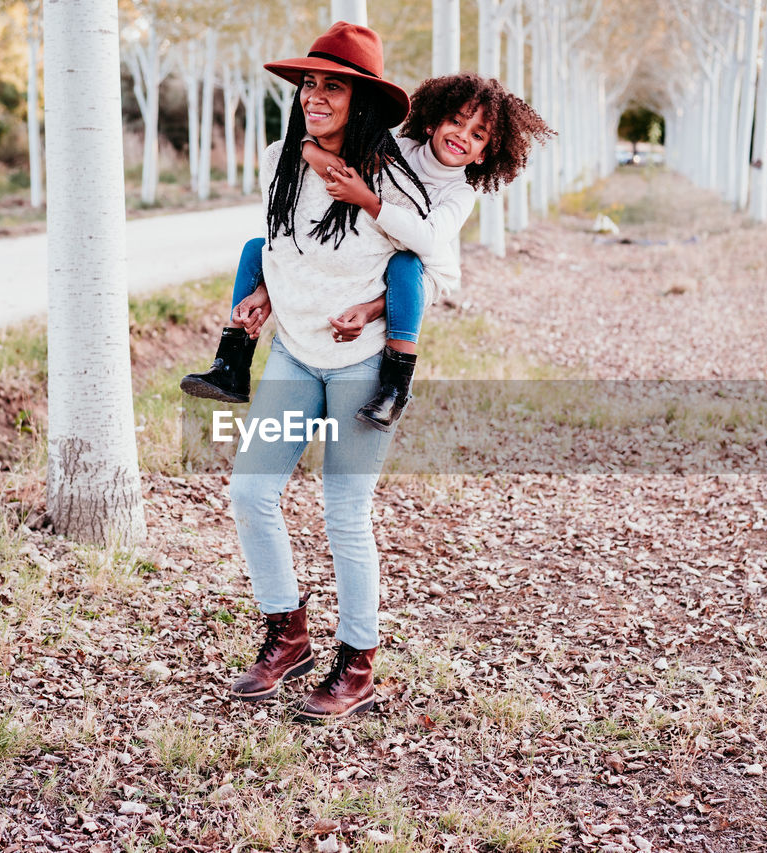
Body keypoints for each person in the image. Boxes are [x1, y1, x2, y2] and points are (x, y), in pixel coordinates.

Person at [214, 22, 431, 723]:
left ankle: (357, 663)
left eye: (332, 85)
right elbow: (285, 245)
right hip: (293, 355)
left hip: (361, 365)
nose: (315, 95)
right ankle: (289, 633)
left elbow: (419, 265)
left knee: (345, 515)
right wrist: (263, 294)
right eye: (310, 83)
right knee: (250, 493)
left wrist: (373, 309)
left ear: (360, 99)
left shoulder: (390, 179)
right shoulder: (283, 156)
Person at [305, 72, 553, 429]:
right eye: (456, 121)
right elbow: (343, 152)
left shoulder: (460, 194)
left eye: (477, 135)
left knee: (406, 264)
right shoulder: (398, 149)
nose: (461, 136)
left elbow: (426, 241)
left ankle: (395, 388)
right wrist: (307, 147)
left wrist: (368, 200)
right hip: (370, 261)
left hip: (420, 271)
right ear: (433, 122)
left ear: (485, 154)